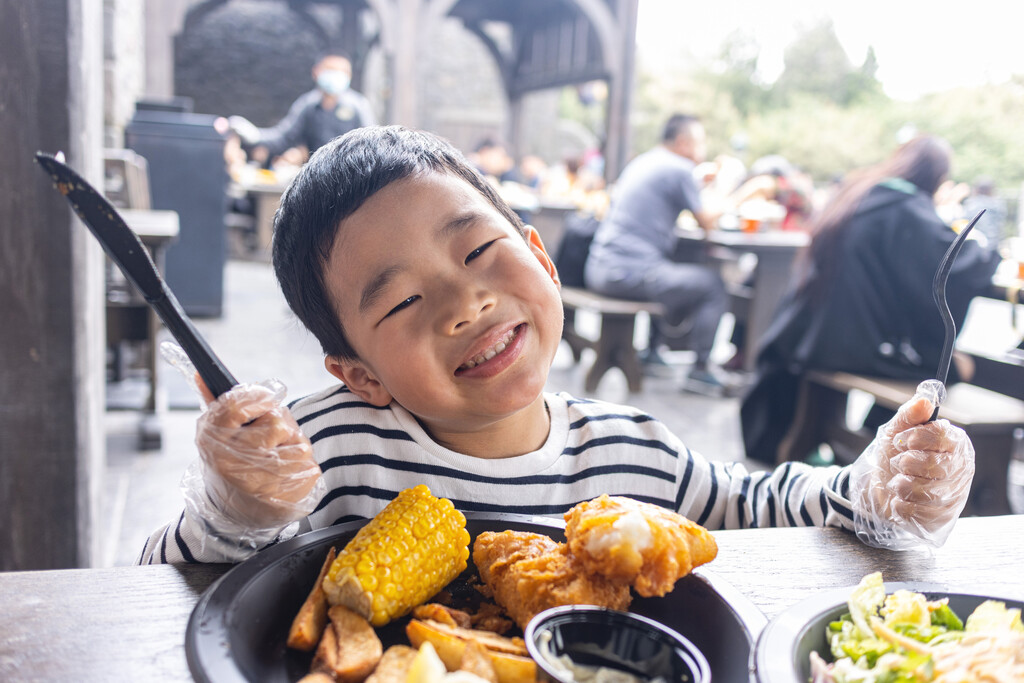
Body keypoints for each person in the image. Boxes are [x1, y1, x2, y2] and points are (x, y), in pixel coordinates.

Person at [137, 126, 975, 565]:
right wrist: (238, 509)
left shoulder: (633, 455)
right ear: (357, 372)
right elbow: (163, 579)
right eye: (401, 301)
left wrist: (876, 486)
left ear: (540, 255)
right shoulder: (325, 454)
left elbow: (755, 507)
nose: (465, 301)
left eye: (477, 251)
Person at [740, 135, 1002, 465]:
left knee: (937, 362)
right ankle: (882, 446)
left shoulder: (861, 192)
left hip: (808, 335)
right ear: (935, 177)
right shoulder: (905, 208)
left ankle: (866, 441)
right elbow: (957, 263)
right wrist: (989, 253)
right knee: (953, 366)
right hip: (843, 345)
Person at [583, 114, 728, 394]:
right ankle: (700, 371)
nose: (702, 149)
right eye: (700, 142)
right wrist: (740, 191)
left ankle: (652, 353)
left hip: (600, 268)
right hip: (626, 273)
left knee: (669, 268)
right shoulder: (681, 168)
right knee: (712, 285)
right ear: (684, 143)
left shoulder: (645, 161)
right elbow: (707, 222)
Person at [221, 51, 376, 165]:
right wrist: (253, 135)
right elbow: (283, 138)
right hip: (317, 176)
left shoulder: (358, 106)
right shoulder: (307, 105)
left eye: (342, 71)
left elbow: (371, 146)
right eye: (330, 69)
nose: (335, 75)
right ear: (316, 72)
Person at [961, 176, 1008, 247]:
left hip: (976, 244)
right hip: (994, 243)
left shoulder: (971, 204)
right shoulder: (998, 205)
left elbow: (964, 221)